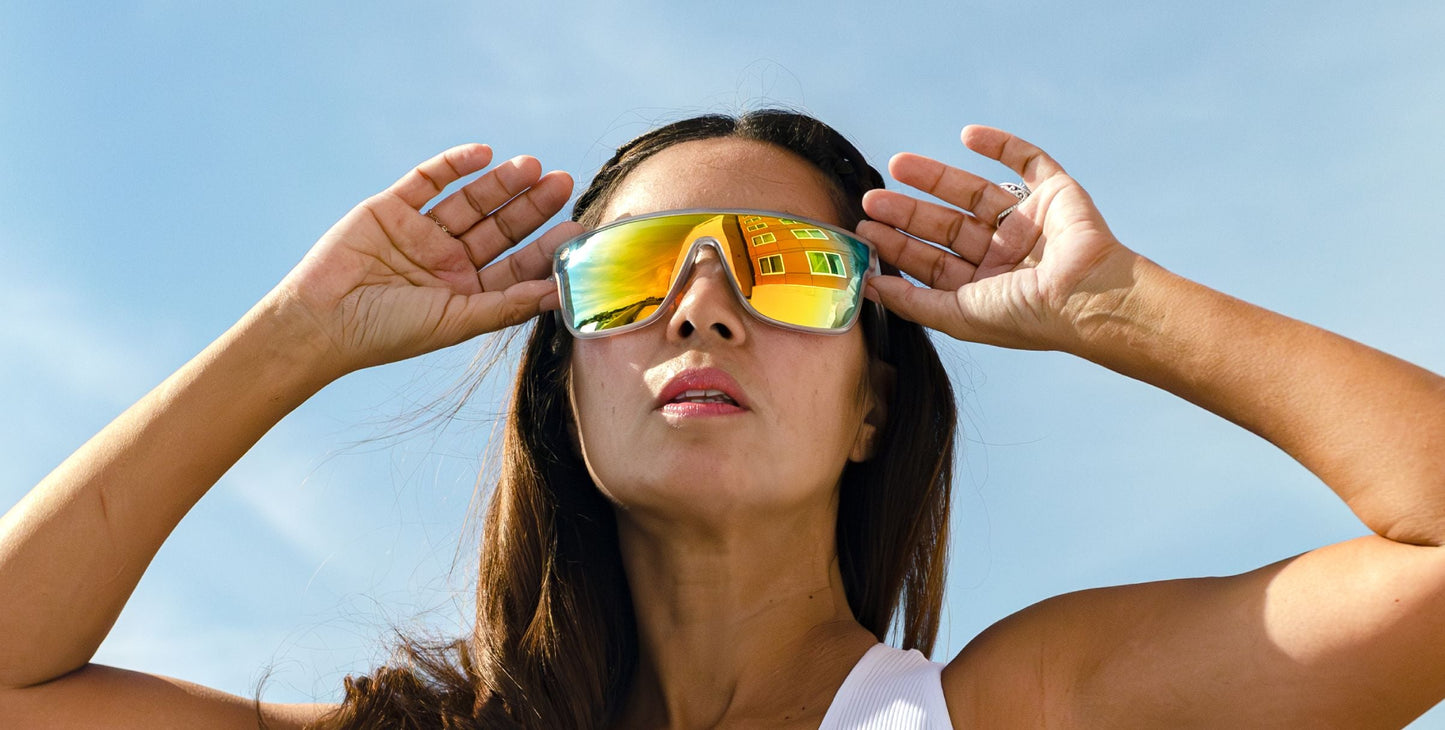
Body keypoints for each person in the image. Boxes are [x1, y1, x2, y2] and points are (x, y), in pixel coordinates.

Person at [2, 109, 1443, 729]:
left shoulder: (1008, 711)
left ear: (875, 402)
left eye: (788, 268)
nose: (703, 309)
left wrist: (1120, 306)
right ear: (564, 391)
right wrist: (293, 339)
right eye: (634, 273)